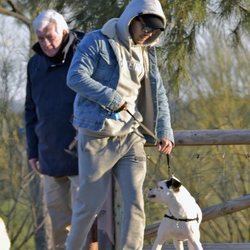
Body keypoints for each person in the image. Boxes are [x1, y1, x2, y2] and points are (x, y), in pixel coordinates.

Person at [65, 0, 174, 249]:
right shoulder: (96, 41)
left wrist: (164, 130)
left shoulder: (147, 51)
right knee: (88, 205)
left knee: (135, 200)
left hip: (131, 136)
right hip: (97, 136)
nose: (148, 34)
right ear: (131, 19)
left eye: (154, 32)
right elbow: (75, 77)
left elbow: (158, 93)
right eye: (145, 28)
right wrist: (111, 98)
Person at [24, 9, 98, 250]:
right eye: (40, 37)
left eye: (50, 36)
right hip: (49, 156)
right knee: (59, 228)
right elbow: (30, 110)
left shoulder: (86, 52)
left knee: (86, 227)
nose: (45, 43)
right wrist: (32, 152)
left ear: (64, 31)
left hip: (84, 156)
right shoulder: (35, 64)